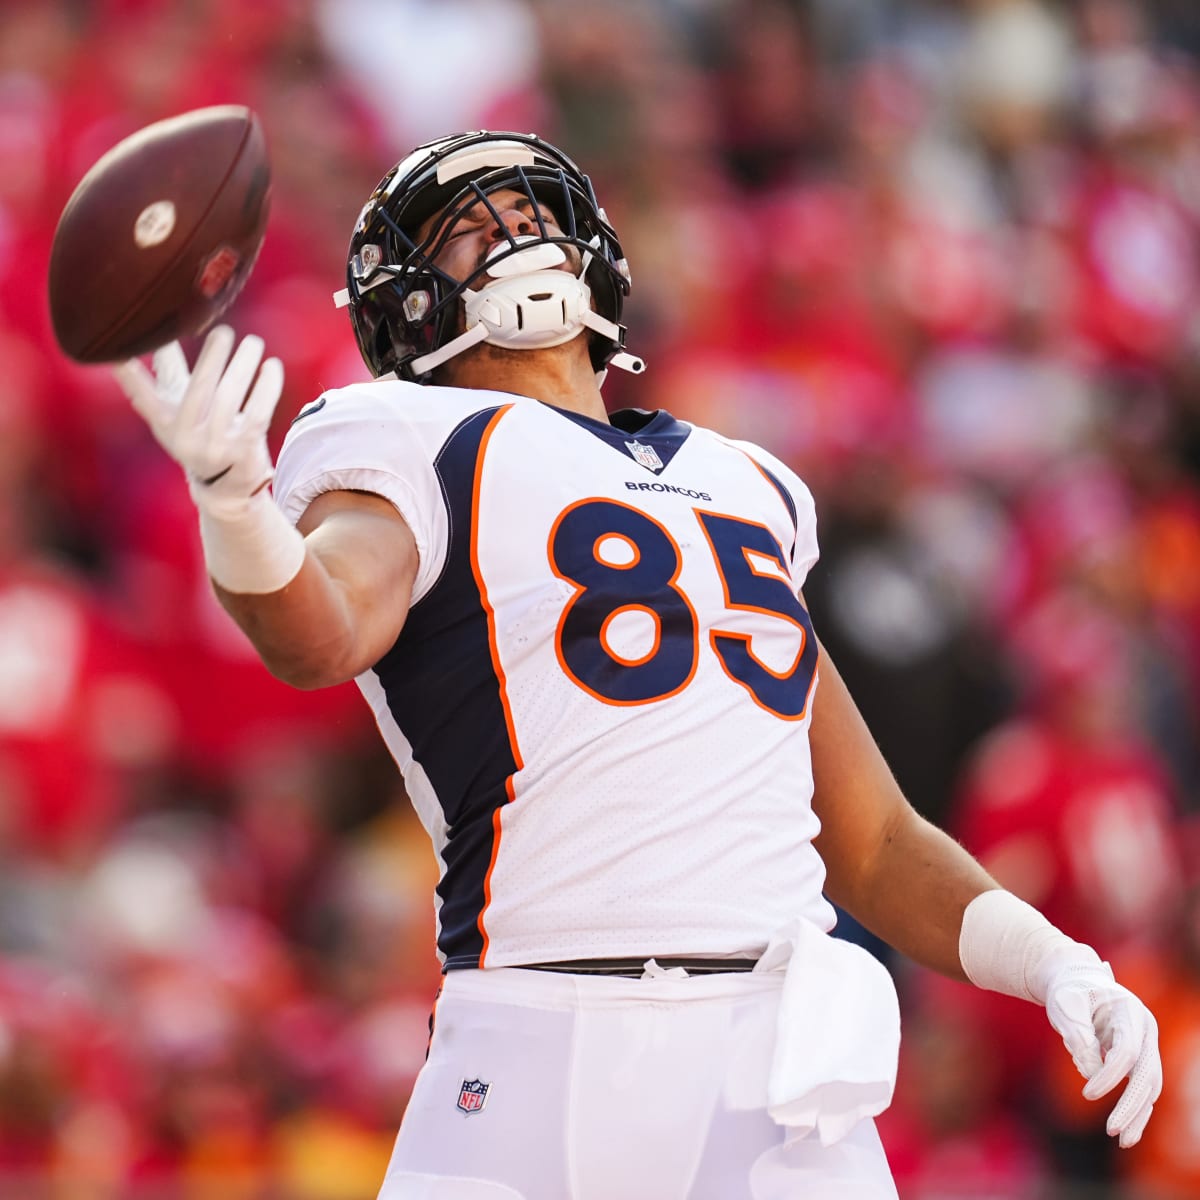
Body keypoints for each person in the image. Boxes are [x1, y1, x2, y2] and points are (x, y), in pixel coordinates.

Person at [114, 130, 1162, 1200]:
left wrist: (1054, 961)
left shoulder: (745, 479)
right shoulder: (410, 433)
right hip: (533, 1034)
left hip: (770, 1062)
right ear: (409, 306)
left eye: (530, 215)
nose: (514, 234)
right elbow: (321, 629)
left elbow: (875, 838)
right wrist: (239, 514)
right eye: (470, 229)